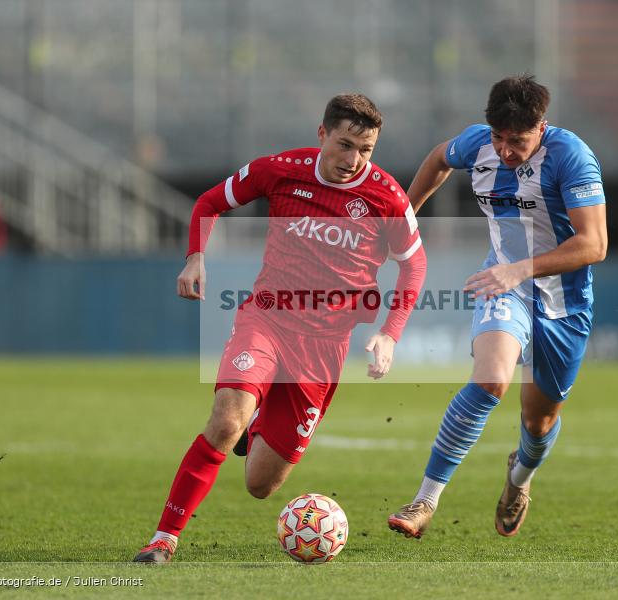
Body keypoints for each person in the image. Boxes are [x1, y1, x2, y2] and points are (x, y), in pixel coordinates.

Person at [133, 93, 427, 563]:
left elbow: (414, 266)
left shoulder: (386, 197)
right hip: (266, 319)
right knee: (227, 420)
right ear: (322, 134)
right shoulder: (281, 169)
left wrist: (390, 332)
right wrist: (195, 256)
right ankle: (164, 539)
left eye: (366, 150)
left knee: (259, 484)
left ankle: (259, 424)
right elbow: (210, 202)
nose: (354, 160)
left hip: (324, 348)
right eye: (345, 144)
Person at [387, 74, 607, 539]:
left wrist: (523, 268)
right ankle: (425, 500)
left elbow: (595, 244)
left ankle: (519, 480)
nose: (506, 150)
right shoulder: (477, 143)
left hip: (563, 304)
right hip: (501, 283)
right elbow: (438, 159)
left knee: (539, 419)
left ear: (542, 127)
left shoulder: (570, 155)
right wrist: (405, 216)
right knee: (490, 380)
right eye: (499, 138)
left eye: (518, 141)